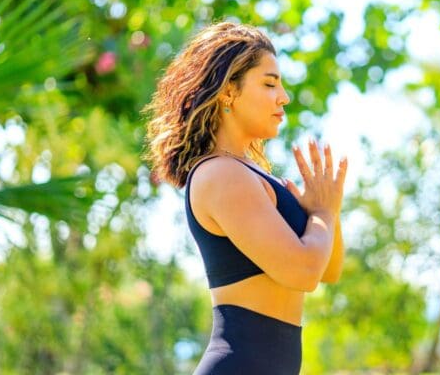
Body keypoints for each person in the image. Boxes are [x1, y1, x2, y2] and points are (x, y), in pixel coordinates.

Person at [142, 21, 348, 374]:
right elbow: (303, 271)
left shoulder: (251, 174)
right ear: (228, 92)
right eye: (269, 83)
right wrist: (323, 214)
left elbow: (328, 268)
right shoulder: (221, 174)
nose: (283, 96)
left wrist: (325, 210)